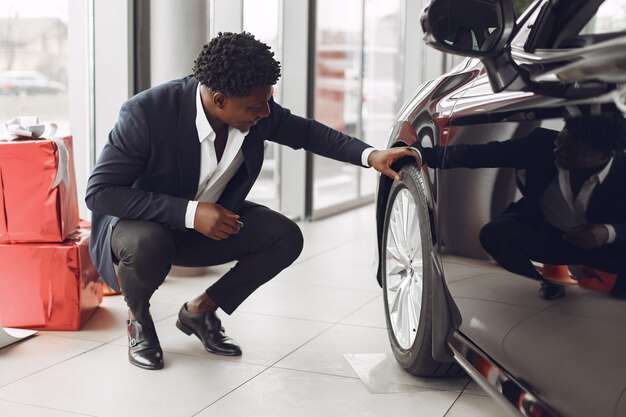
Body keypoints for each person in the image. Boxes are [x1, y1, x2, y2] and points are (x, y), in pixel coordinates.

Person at [85, 31, 413, 370]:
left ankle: (200, 310)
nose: (266, 112)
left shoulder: (256, 111)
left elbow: (308, 133)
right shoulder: (147, 113)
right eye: (257, 106)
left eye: (268, 101)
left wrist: (370, 155)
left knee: (284, 237)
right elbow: (100, 192)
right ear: (220, 99)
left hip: (205, 230)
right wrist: (191, 213)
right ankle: (138, 319)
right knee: (146, 241)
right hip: (145, 232)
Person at [411, 115, 626, 300]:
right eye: (561, 140)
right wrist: (420, 155)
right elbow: (480, 154)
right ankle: (545, 282)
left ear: (605, 156)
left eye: (573, 152)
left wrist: (608, 232)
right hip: (549, 237)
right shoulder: (541, 145)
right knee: (495, 235)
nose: (559, 151)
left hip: (606, 249)